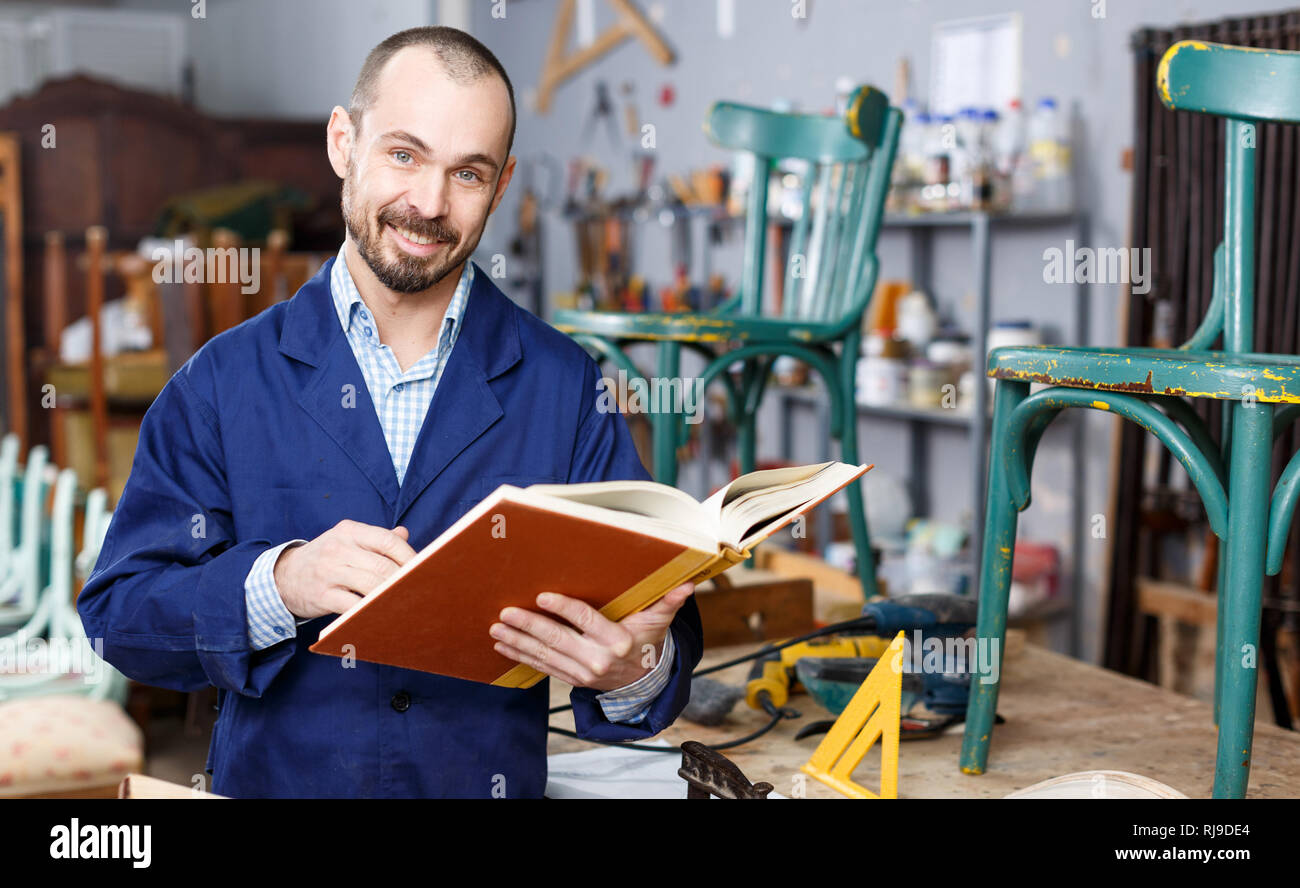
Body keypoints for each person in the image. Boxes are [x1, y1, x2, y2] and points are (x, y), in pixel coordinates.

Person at [77, 26, 701, 798]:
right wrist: (283, 584)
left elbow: (647, 666)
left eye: (466, 173)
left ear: (500, 187)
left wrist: (635, 666)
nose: (429, 204)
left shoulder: (568, 388)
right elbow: (120, 619)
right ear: (345, 142)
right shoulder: (220, 382)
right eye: (404, 154)